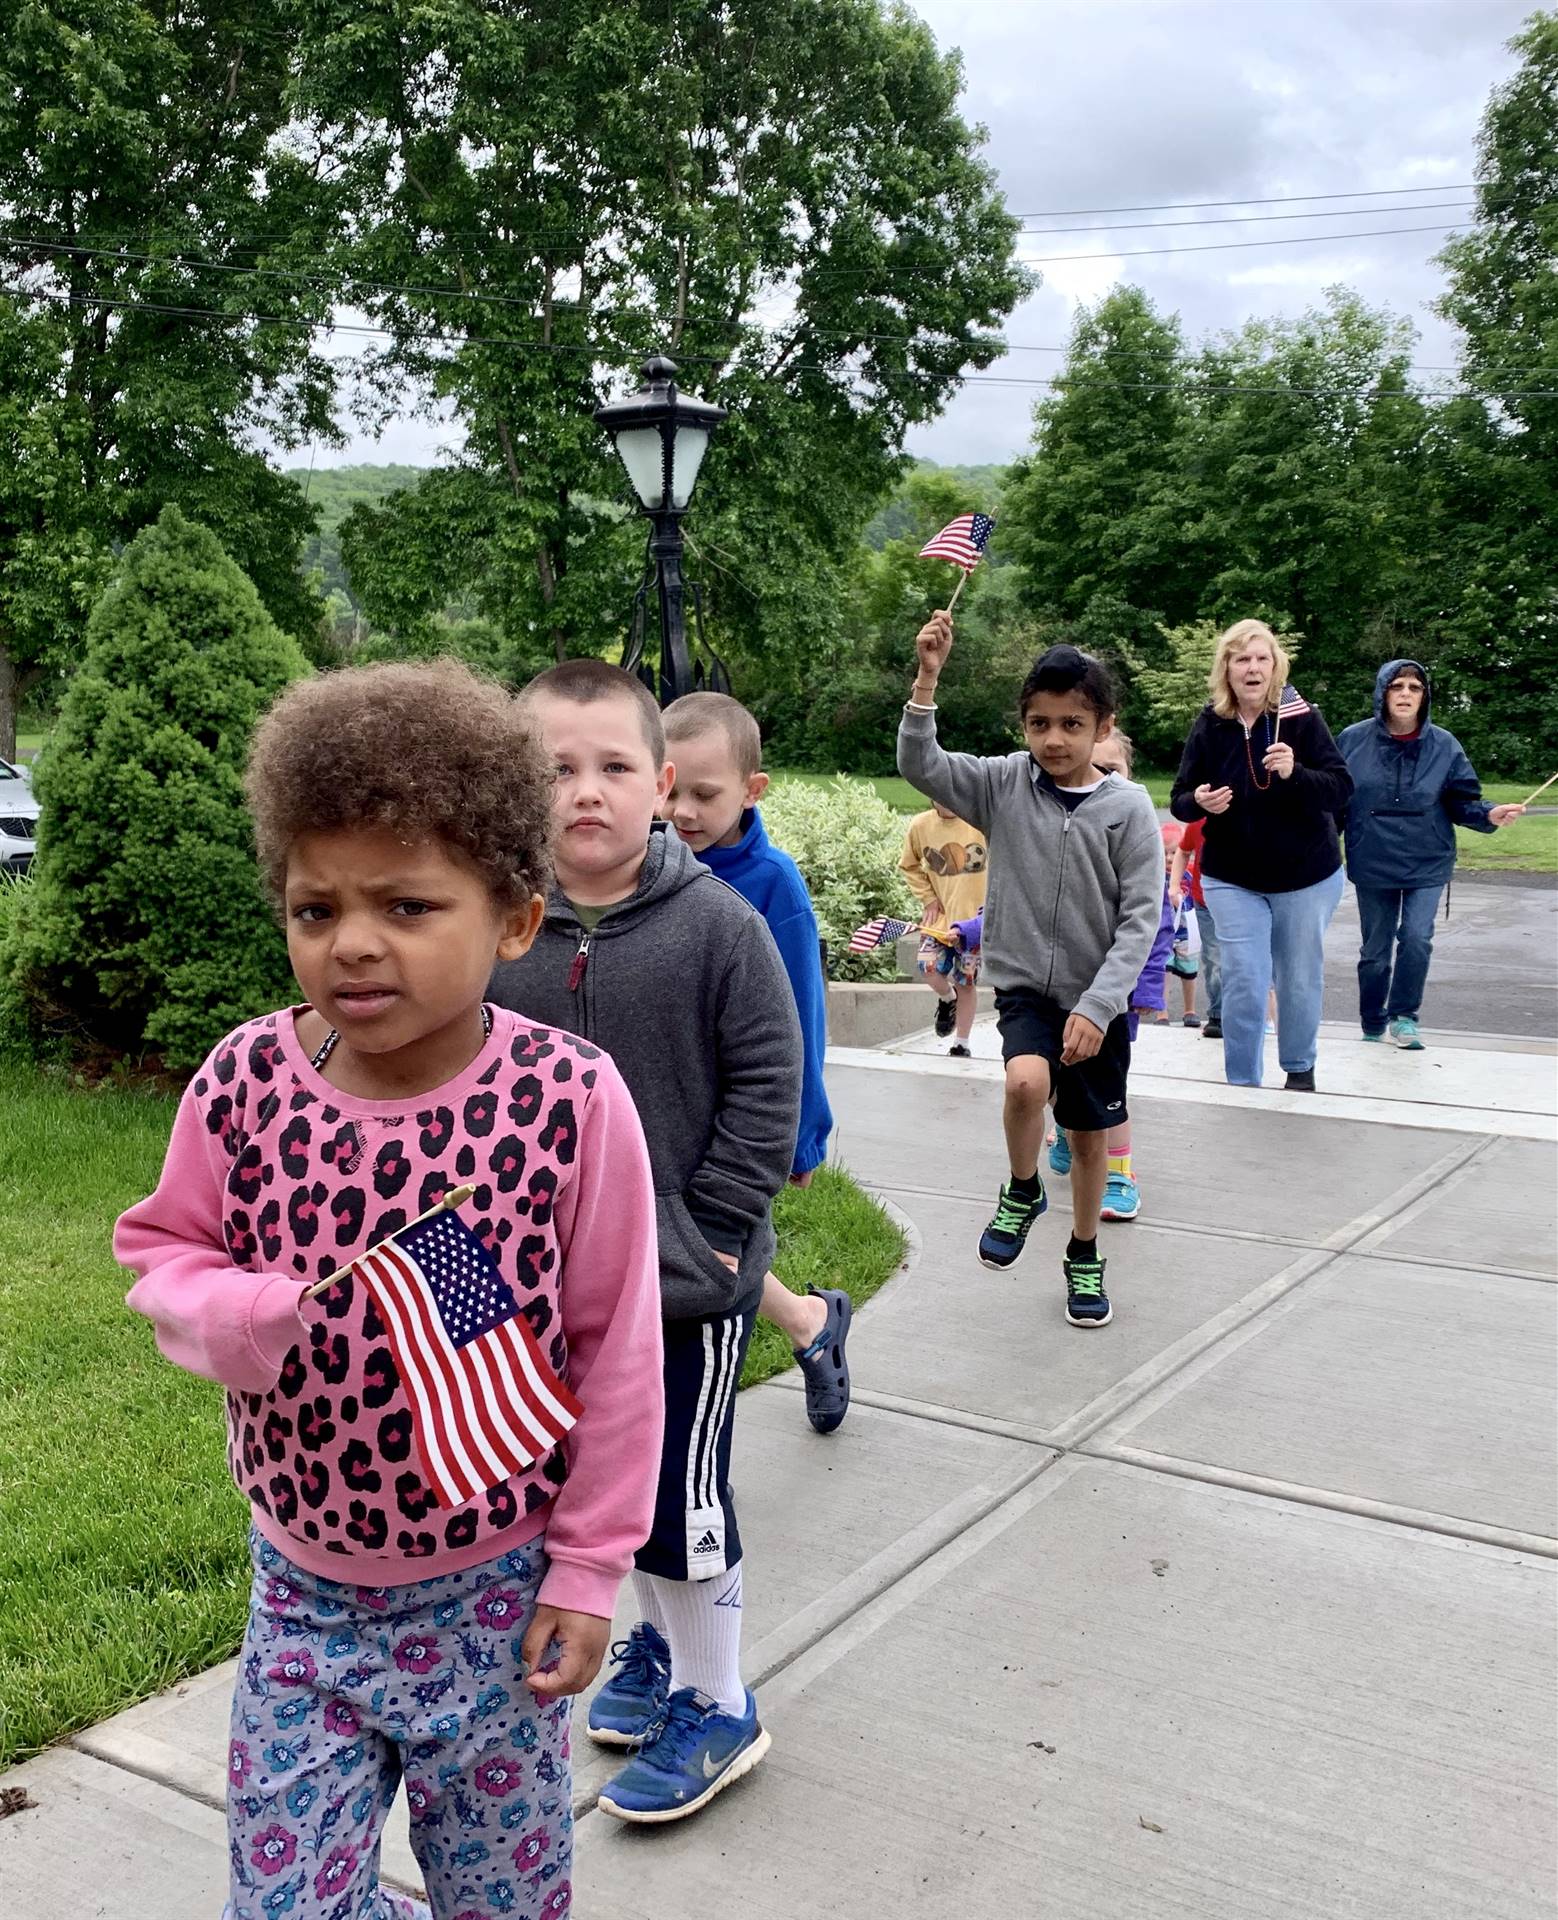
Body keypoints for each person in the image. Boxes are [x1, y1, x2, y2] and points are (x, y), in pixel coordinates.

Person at [114, 661, 664, 1920]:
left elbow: (617, 1353)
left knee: (502, 1899)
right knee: (284, 1904)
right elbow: (160, 1248)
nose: (352, 941)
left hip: (496, 1599)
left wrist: (587, 1574)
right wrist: (236, 1311)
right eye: (316, 909)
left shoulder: (566, 1101)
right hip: (300, 1598)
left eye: (409, 906)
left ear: (515, 920)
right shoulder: (247, 1078)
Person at [488, 660, 801, 1824]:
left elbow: (769, 1083)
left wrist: (714, 1233)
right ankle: (661, 1657)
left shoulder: (715, 927)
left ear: (662, 784)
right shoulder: (501, 927)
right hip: (545, 1293)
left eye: (614, 767)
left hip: (682, 1286)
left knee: (679, 1499)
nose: (585, 792)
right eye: (555, 770)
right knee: (599, 1498)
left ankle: (721, 1702)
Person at [899, 614, 1161, 1328]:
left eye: (1072, 725)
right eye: (1039, 723)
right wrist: (928, 678)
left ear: (1102, 726)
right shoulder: (1003, 785)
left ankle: (1083, 1252)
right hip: (1027, 991)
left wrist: (1101, 1006)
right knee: (1024, 1082)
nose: (1054, 740)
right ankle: (1021, 1189)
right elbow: (921, 765)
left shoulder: (1128, 810)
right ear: (1023, 723)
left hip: (1097, 1002)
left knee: (1084, 1138)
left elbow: (1142, 919)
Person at [660, 690, 852, 1434]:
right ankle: (811, 1324)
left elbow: (801, 1016)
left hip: (741, 1117)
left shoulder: (772, 887)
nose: (683, 810)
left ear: (752, 790)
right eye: (670, 788)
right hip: (665, 1099)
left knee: (713, 1253)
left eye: (705, 795)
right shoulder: (644, 870)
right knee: (687, 1249)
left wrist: (804, 1132)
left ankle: (804, 1328)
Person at [1170, 620, 1353, 1092]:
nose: (1252, 668)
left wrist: (1296, 773)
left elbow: (1341, 788)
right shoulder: (1211, 723)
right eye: (1241, 658)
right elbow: (1181, 797)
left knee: (1296, 978)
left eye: (1262, 658)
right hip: (1233, 876)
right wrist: (1200, 802)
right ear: (1226, 668)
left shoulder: (1301, 718)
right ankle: (1242, 1082)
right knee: (1244, 982)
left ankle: (1299, 1068)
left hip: (1306, 875)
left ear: (1276, 667)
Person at [1338, 658, 1525, 1049]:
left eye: (1414, 688)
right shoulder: (1352, 740)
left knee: (1417, 938)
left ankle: (1404, 1016)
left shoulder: (1445, 745)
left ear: (1425, 696)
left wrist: (1488, 813)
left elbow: (1462, 800)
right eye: (1397, 686)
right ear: (1382, 692)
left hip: (1428, 858)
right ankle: (1372, 1018)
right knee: (1375, 949)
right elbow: (1334, 801)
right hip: (1372, 856)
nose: (1405, 694)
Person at [1047, 728, 1175, 1222]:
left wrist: (1142, 989)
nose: (1099, 777)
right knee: (1054, 1066)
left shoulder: (1134, 839)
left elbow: (1153, 925)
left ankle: (1120, 1176)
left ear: (1129, 778)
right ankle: (1065, 1126)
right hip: (1054, 986)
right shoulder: (1060, 835)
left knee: (1106, 1087)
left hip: (1115, 993)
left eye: (1112, 769)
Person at [899, 801, 989, 1057]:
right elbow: (909, 865)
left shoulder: (979, 821)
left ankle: (961, 1042)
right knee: (927, 967)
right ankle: (947, 999)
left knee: (966, 982)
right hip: (939, 920)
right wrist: (928, 897)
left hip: (973, 923)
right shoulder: (920, 825)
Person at [1170, 816, 1222, 1038]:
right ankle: (1218, 1015)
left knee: (1243, 960)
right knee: (1214, 959)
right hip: (1206, 903)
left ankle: (1246, 1011)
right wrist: (1174, 885)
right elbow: (1183, 850)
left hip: (1243, 902)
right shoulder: (1199, 822)